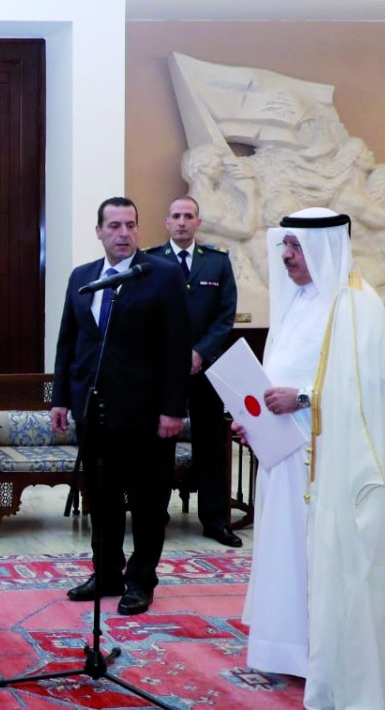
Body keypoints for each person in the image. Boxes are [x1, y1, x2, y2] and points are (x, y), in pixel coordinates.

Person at [235, 207, 385, 710]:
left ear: (325, 248)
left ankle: (323, 654)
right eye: (285, 247)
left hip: (328, 456)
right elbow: (276, 377)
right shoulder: (299, 301)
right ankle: (285, 648)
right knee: (285, 550)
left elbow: (366, 388)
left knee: (321, 554)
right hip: (284, 453)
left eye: (297, 249)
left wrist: (301, 397)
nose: (286, 257)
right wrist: (253, 417)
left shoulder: (356, 305)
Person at [52, 197, 190, 616]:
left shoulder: (162, 276)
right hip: (94, 412)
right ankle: (107, 572)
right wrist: (60, 398)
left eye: (130, 225)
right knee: (103, 498)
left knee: (148, 504)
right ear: (99, 231)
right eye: (113, 226)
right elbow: (68, 343)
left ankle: (141, 580)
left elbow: (176, 347)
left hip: (147, 415)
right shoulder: (83, 276)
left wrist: (173, 409)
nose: (123, 233)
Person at [144, 196, 241, 547]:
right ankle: (155, 514)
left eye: (189, 216)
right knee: (160, 444)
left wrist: (200, 352)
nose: (182, 222)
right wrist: (174, 356)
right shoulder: (152, 261)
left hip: (207, 370)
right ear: (166, 222)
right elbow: (145, 315)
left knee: (212, 446)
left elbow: (225, 315)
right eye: (176, 216)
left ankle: (215, 520)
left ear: (198, 222)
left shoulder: (216, 262)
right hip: (163, 372)